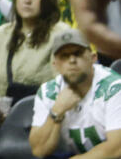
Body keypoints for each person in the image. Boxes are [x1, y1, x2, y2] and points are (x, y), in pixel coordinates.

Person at [30, 27, 121, 157]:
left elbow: (117, 148)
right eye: (64, 56)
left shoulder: (115, 87)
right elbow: (39, 150)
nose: (72, 60)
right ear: (55, 64)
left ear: (93, 58)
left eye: (78, 53)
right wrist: (57, 111)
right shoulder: (47, 92)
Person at [0, 0, 68, 104]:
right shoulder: (0, 34)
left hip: (45, 110)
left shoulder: (60, 33)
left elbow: (63, 84)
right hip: (2, 114)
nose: (27, 1)